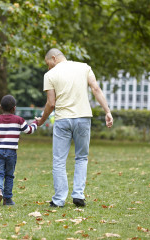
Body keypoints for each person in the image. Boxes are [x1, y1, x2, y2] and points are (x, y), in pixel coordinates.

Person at [35, 48, 113, 208]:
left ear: (54, 58)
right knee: (82, 157)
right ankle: (78, 195)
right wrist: (107, 111)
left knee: (58, 160)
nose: (48, 66)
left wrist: (42, 120)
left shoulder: (50, 75)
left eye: (48, 62)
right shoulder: (84, 67)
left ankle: (58, 199)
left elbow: (51, 103)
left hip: (63, 120)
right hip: (83, 118)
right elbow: (96, 89)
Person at [0, 95, 38, 207]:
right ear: (14, 108)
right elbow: (29, 130)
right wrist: (35, 123)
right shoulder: (19, 120)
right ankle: (8, 199)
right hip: (11, 152)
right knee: (9, 175)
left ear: (0, 107)